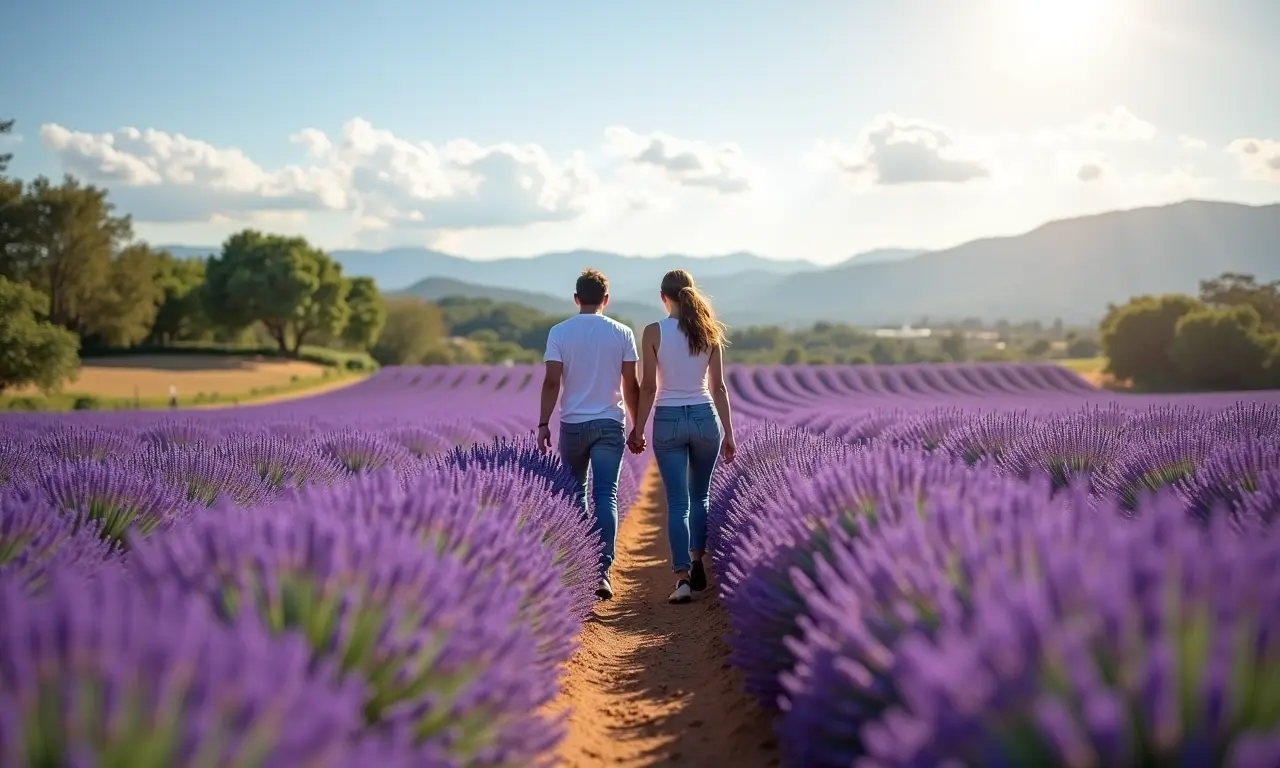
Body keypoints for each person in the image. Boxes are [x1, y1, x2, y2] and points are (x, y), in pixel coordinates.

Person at [628, 269, 736, 604]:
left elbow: (647, 387)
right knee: (700, 497)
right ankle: (697, 559)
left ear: (664, 297)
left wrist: (638, 428)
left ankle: (683, 580)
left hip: (669, 418)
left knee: (677, 501)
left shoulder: (653, 332)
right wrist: (729, 433)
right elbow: (718, 387)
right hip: (705, 418)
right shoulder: (710, 332)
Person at [537, 269, 641, 602]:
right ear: (606, 300)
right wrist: (638, 426)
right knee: (606, 494)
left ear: (576, 298)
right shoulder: (622, 332)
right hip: (611, 422)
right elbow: (631, 383)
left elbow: (552, 382)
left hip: (573, 424)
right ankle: (601, 571)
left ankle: (581, 564)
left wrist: (543, 423)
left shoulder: (559, 332)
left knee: (575, 493)